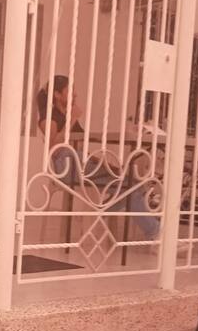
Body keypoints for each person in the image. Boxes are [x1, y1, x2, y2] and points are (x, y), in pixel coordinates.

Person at [36, 75, 160, 242]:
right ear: (57, 95)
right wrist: (72, 118)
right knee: (130, 184)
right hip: (66, 167)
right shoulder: (49, 116)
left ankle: (99, 216)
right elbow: (54, 147)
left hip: (80, 162)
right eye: (69, 90)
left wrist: (101, 162)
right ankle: (156, 234)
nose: (75, 94)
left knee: (132, 183)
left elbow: (79, 146)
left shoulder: (65, 114)